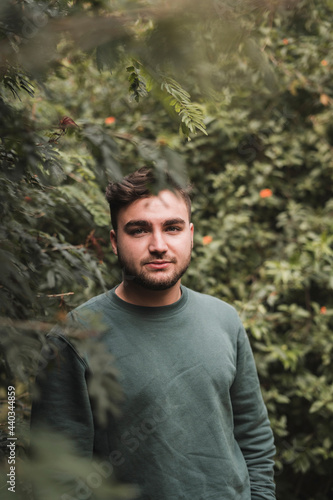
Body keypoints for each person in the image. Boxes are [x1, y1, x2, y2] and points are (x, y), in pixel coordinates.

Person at [31, 167, 276, 499]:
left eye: (172, 228)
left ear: (190, 235)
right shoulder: (74, 338)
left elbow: (254, 438)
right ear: (115, 242)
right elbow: (59, 477)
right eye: (139, 230)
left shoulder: (224, 319)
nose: (158, 245)